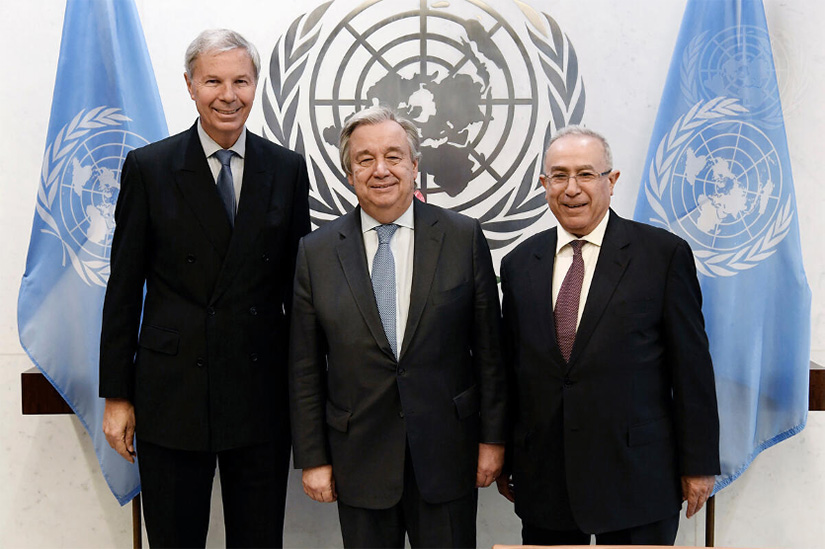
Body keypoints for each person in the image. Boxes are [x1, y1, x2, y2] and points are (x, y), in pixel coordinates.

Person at [99, 29, 310, 547]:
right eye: (213, 80)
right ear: (190, 86)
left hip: (259, 390)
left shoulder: (285, 168)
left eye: (241, 80)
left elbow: (299, 293)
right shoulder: (149, 168)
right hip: (172, 394)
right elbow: (123, 288)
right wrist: (118, 395)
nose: (228, 94)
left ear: (256, 86)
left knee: (259, 538)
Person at [288, 105, 507, 548]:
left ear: (414, 166)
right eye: (365, 159)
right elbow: (305, 366)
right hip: (359, 459)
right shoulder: (317, 252)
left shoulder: (463, 237)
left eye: (393, 155)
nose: (380, 169)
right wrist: (313, 459)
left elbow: (490, 352)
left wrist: (493, 441)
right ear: (350, 173)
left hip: (448, 455)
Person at [496, 126, 720, 546]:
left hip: (639, 476)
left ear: (611, 182)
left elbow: (691, 369)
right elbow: (512, 370)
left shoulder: (663, 255)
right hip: (546, 477)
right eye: (559, 176)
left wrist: (699, 463)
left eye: (586, 174)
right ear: (544, 185)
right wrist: (508, 453)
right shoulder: (519, 263)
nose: (572, 189)